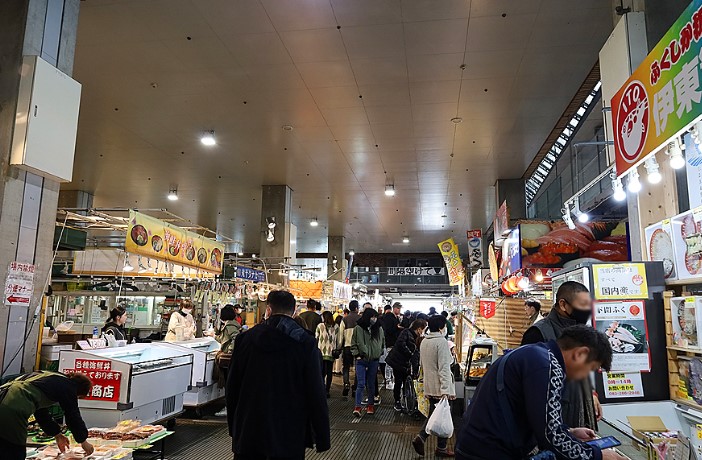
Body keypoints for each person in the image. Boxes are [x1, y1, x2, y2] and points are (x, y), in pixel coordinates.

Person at [456, 326, 623, 460]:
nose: (585, 377)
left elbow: (541, 419)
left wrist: (569, 431)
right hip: (489, 452)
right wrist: (598, 455)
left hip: (476, 446)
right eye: (590, 369)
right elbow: (551, 437)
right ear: (581, 353)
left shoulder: (535, 354)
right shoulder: (548, 366)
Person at [227, 290, 330, 460]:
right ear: (294, 311)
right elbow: (315, 391)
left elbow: (232, 386)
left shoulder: (245, 339)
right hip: (288, 433)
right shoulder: (305, 342)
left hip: (249, 430)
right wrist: (322, 437)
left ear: (268, 310)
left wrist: (234, 427)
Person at [522, 281, 600, 430]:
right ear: (563, 304)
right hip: (554, 420)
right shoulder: (538, 333)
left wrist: (592, 394)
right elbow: (529, 387)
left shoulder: (580, 331)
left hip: (581, 414)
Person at [0, 371, 94, 460]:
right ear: (78, 391)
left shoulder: (50, 378)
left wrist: (57, 435)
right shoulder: (69, 386)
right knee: (14, 450)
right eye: (78, 397)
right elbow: (72, 415)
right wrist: (83, 441)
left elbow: (41, 414)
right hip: (12, 407)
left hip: (3, 396)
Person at [412, 315, 456, 457]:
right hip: (441, 386)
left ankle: (427, 440)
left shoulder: (425, 341)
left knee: (435, 414)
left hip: (430, 385)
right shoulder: (441, 342)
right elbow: (444, 368)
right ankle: (436, 445)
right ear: (440, 327)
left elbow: (422, 364)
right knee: (442, 416)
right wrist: (446, 390)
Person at [386, 318, 427, 412]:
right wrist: (410, 354)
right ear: (419, 329)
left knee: (406, 382)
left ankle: (406, 401)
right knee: (398, 382)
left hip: (405, 363)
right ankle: (397, 401)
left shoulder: (417, 337)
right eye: (424, 329)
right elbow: (401, 344)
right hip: (397, 361)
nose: (424, 332)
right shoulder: (406, 332)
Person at [351, 307, 385, 417]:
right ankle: (357, 407)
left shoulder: (379, 329)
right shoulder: (358, 328)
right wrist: (357, 355)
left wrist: (379, 353)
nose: (374, 319)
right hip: (361, 360)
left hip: (374, 360)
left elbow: (382, 342)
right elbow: (353, 343)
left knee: (371, 384)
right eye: (372, 317)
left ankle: (370, 405)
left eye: (375, 317)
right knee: (360, 384)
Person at [339, 300, 361, 397]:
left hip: (347, 346)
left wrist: (339, 346)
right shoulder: (361, 319)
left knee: (346, 367)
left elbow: (340, 335)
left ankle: (346, 384)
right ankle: (355, 388)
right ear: (356, 308)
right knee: (358, 367)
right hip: (358, 348)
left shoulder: (344, 319)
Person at [316, 311, 341, 398]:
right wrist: (337, 348)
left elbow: (316, 337)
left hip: (321, 352)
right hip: (331, 353)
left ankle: (321, 389)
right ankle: (327, 391)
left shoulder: (320, 326)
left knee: (322, 372)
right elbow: (339, 340)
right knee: (329, 372)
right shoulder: (336, 326)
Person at [381, 302, 402, 390]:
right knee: (389, 363)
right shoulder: (389, 317)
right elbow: (389, 330)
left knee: (393, 363)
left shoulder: (396, 317)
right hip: (390, 343)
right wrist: (397, 327)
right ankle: (388, 380)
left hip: (394, 343)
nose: (399, 310)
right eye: (398, 308)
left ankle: (392, 380)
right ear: (394, 308)